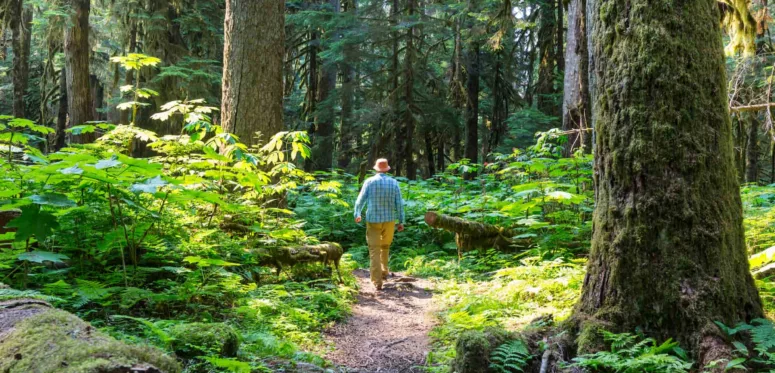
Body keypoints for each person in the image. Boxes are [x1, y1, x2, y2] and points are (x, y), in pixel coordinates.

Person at [354, 158, 405, 291]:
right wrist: (401, 221)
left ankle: (377, 281)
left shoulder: (369, 182)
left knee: (374, 249)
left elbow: (360, 200)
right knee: (385, 246)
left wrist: (357, 214)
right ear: (387, 169)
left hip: (373, 220)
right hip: (389, 220)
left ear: (376, 169)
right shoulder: (394, 183)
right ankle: (384, 271)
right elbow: (399, 203)